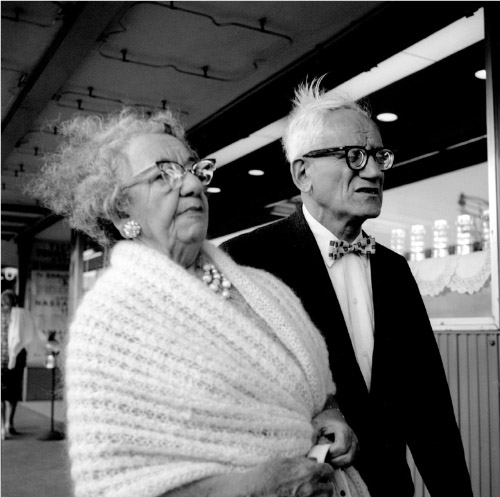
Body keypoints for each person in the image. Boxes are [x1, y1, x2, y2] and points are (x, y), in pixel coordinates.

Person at [28, 107, 371, 497]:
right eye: (164, 175)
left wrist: (330, 414)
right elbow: (115, 486)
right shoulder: (109, 321)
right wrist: (255, 488)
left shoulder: (265, 288)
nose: (191, 185)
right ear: (121, 207)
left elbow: (316, 388)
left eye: (195, 170)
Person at [221, 77, 473, 497]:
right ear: (303, 172)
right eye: (354, 156)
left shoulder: (395, 270)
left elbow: (429, 411)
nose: (373, 171)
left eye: (378, 155)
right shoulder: (247, 260)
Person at [1, 289, 35, 439]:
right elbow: (29, 335)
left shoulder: (10, 315)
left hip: (6, 360)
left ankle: (4, 425)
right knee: (12, 393)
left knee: (4, 395)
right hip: (14, 360)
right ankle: (8, 424)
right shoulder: (22, 315)